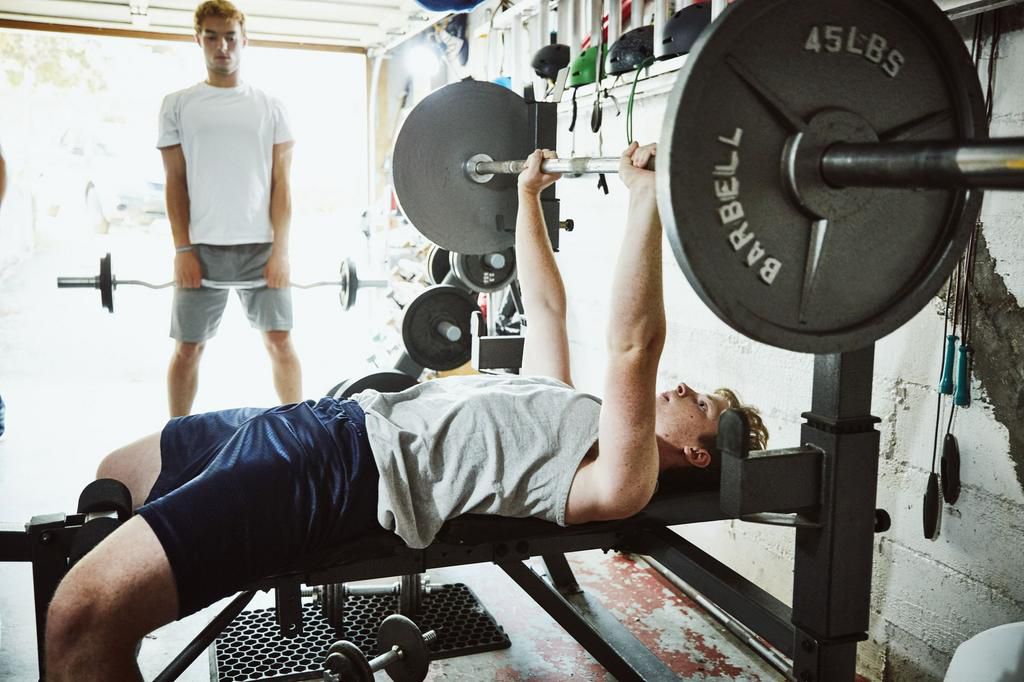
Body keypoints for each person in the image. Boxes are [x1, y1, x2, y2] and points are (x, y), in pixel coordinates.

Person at [43, 144, 768, 679]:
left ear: (697, 453)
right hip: (321, 421)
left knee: (83, 617)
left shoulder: (618, 480)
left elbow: (634, 346)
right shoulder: (570, 406)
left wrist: (648, 199)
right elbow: (547, 305)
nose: (679, 391)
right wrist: (525, 196)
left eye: (697, 403)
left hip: (342, 471)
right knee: (117, 472)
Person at [158, 0, 301, 417]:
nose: (222, 46)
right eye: (212, 37)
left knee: (280, 342)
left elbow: (282, 185)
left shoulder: (271, 106)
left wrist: (281, 252)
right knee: (188, 348)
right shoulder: (177, 104)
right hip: (201, 249)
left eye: (230, 37)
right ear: (198, 40)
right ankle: (177, 436)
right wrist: (183, 250)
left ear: (244, 40)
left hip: (261, 247)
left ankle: (304, 438)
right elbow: (175, 183)